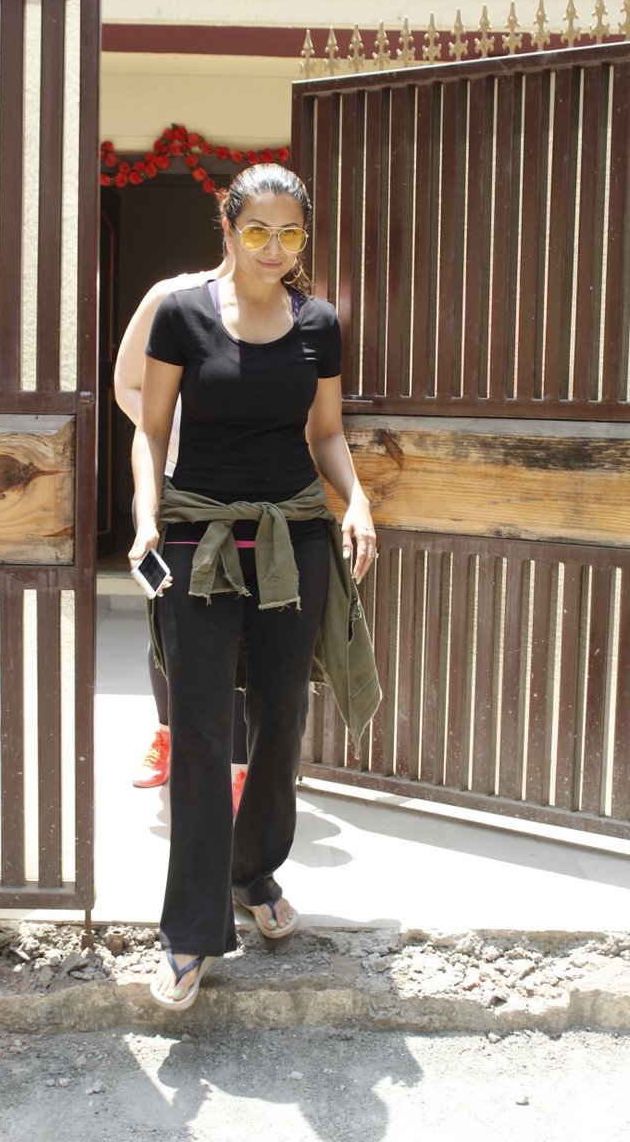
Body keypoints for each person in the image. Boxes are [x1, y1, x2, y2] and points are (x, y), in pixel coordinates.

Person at [129, 164, 381, 1011]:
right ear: (228, 227)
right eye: (258, 231)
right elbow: (150, 430)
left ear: (303, 237)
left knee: (280, 719)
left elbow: (326, 432)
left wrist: (357, 501)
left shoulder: (320, 324)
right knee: (201, 729)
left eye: (291, 233)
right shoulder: (182, 313)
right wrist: (145, 515)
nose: (275, 248)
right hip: (198, 539)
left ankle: (254, 871)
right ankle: (190, 932)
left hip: (294, 540)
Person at [114, 259, 249, 809]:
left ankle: (242, 764)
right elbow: (126, 384)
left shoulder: (281, 307)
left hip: (250, 496)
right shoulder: (171, 295)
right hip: (172, 489)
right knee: (167, 621)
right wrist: (173, 440)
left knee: (244, 631)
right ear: (228, 230)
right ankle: (166, 733)